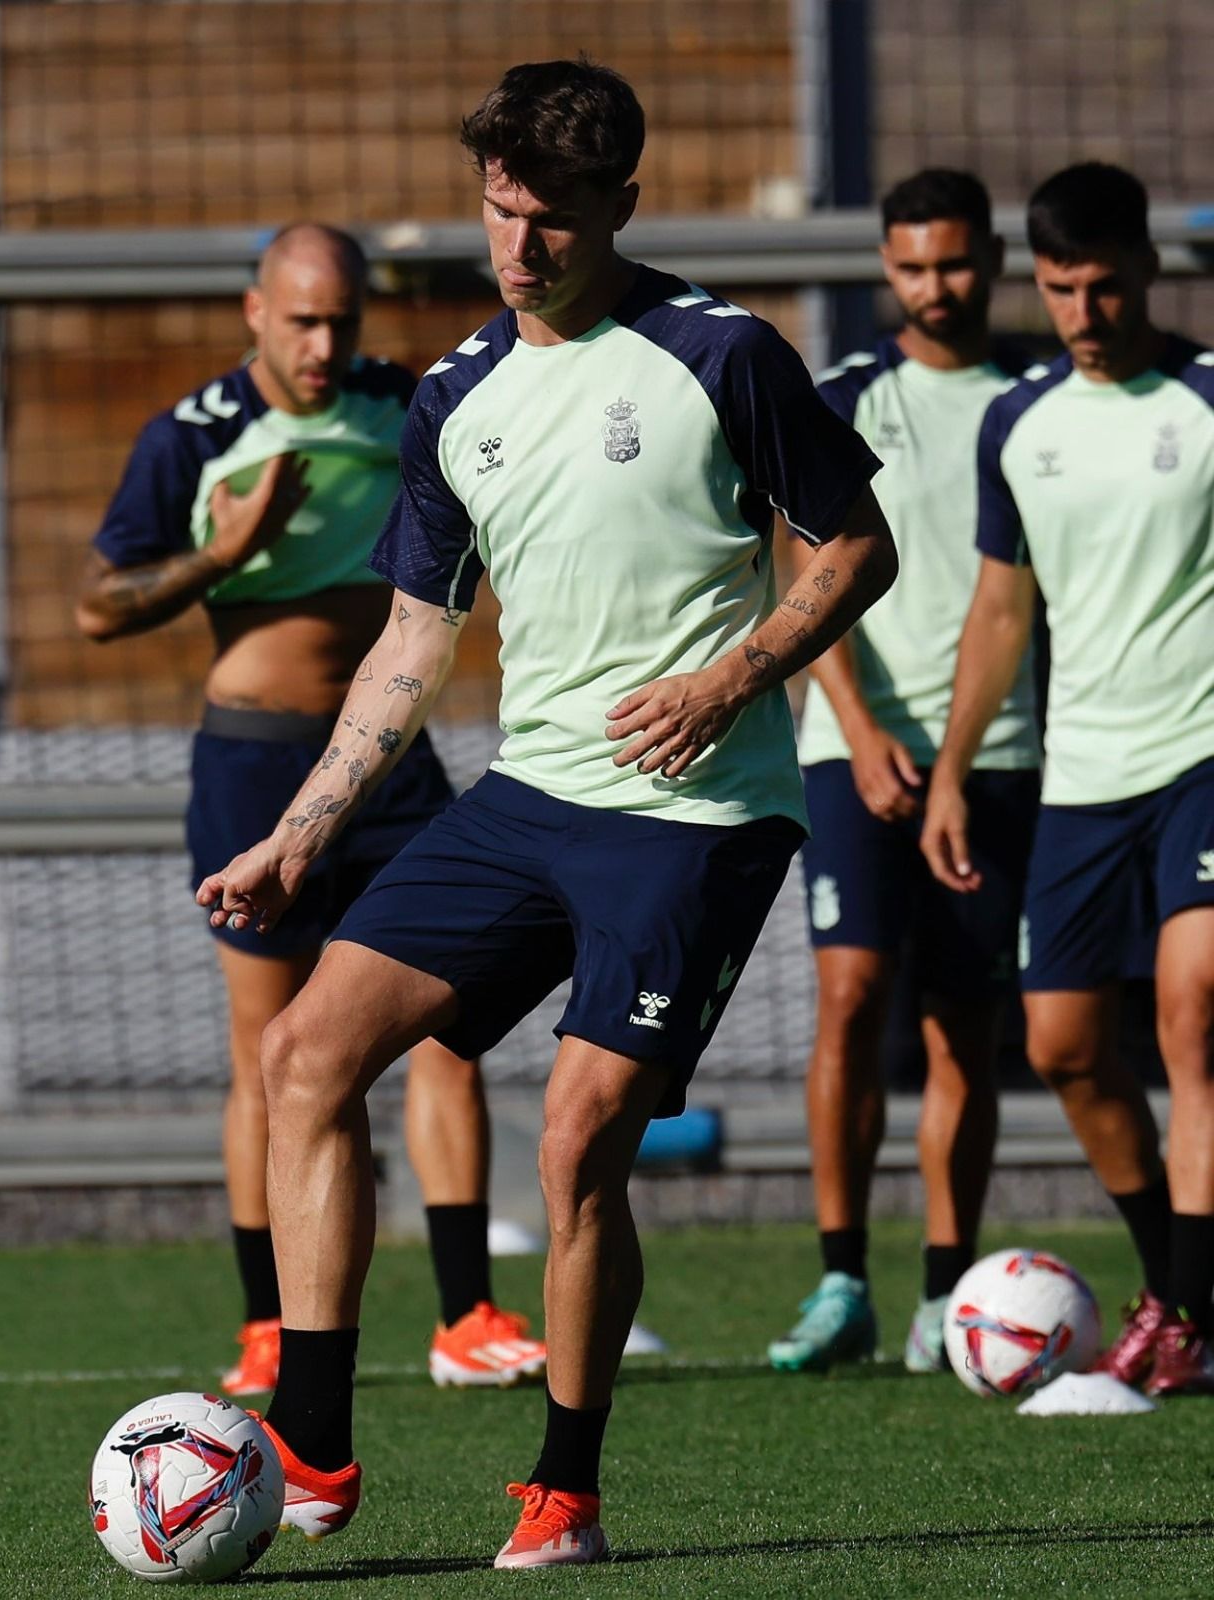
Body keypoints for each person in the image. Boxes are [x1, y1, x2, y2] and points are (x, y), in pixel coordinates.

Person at [198, 59, 896, 1567]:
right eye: (501, 212)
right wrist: (303, 831)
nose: (518, 250)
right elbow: (410, 639)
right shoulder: (457, 395)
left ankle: (565, 1487)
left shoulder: (722, 356)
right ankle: (313, 1448)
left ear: (618, 210)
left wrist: (735, 677)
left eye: (554, 223)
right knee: (303, 1050)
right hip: (529, 797)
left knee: (579, 1141)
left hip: (701, 812)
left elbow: (855, 547)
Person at [75, 223, 545, 1397]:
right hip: (253, 761)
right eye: (301, 320)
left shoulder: (412, 402)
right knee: (268, 1051)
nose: (323, 343)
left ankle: (464, 1313)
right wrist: (224, 549)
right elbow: (99, 605)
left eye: (341, 319)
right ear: (255, 311)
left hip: (389, 764)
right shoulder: (194, 436)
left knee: (444, 1031)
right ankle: (268, 1325)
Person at [922, 162, 1214, 1395]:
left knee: (1192, 1016)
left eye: (1101, 286)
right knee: (1061, 1048)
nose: (1081, 313)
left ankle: (1188, 1318)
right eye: (1057, 290)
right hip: (1078, 774)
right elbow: (999, 607)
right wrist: (949, 767)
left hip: (1201, 752)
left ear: (1146, 269)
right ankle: (1174, 1283)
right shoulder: (1018, 421)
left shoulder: (1205, 399)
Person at [768, 171, 1039, 1377]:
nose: (935, 286)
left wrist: (954, 759)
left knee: (960, 1026)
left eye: (955, 262)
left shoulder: (1035, 403)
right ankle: (840, 1281)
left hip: (993, 753)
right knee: (849, 995)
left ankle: (946, 1289)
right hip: (853, 746)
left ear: (990, 260)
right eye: (912, 265)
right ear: (886, 268)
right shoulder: (844, 397)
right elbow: (802, 567)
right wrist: (859, 720)